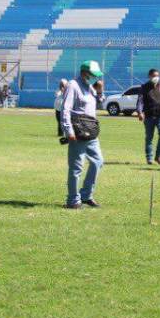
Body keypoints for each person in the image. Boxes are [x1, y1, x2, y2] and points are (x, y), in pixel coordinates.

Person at [59, 60, 105, 208]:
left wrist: (99, 91)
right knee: (76, 167)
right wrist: (68, 131)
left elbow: (99, 104)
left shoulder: (90, 87)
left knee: (98, 161)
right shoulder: (73, 85)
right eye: (93, 75)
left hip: (91, 132)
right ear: (85, 73)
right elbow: (65, 110)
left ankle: (86, 195)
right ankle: (73, 200)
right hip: (77, 132)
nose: (96, 78)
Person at [136, 68, 160, 165]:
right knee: (149, 138)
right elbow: (140, 101)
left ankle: (158, 156)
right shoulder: (144, 87)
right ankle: (149, 158)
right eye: (153, 76)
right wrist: (140, 112)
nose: (155, 77)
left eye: (157, 75)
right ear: (149, 76)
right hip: (149, 116)